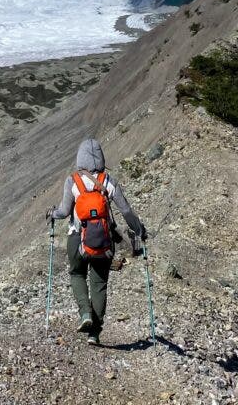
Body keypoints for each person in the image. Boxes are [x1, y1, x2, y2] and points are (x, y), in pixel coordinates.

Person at [47, 138, 147, 343]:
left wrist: (52, 213)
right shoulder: (108, 181)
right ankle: (95, 333)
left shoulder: (72, 181)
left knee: (77, 273)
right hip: (104, 240)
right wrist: (139, 230)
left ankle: (85, 313)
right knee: (99, 282)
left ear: (80, 158)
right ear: (101, 158)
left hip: (77, 237)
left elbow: (64, 212)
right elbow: (126, 211)